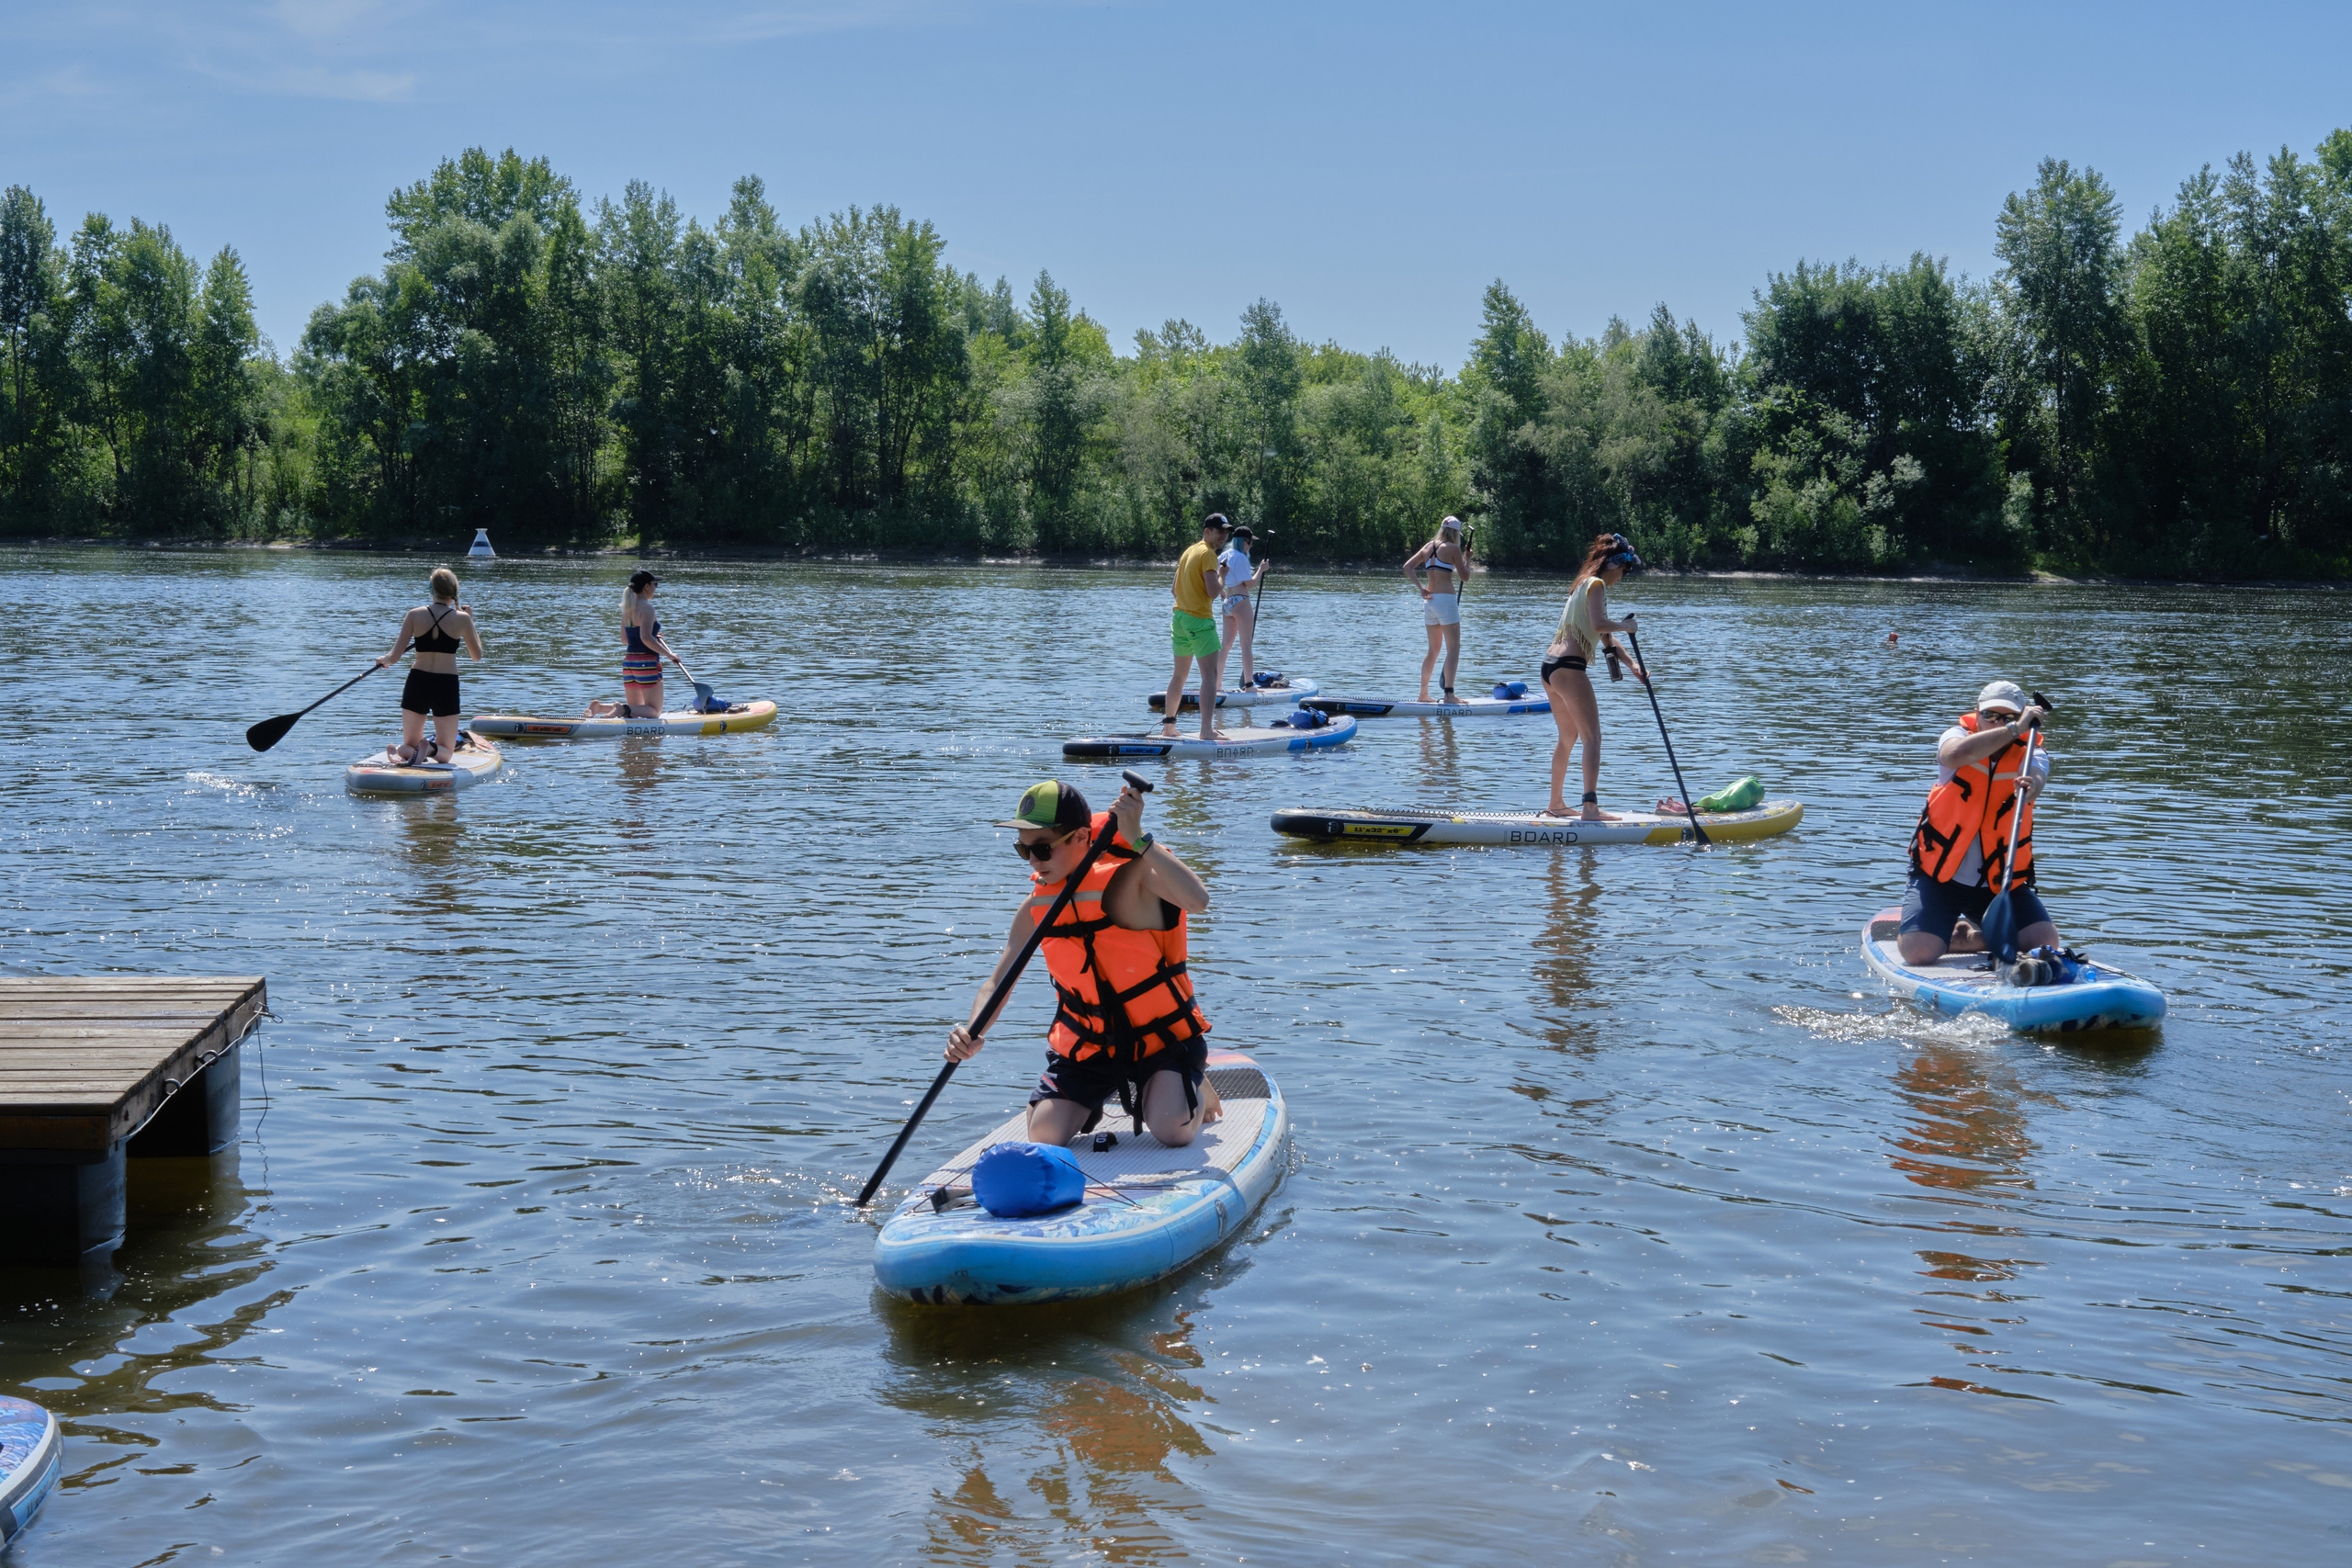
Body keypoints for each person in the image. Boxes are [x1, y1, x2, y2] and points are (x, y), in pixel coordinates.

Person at [944, 778, 1224, 1145]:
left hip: (1160, 1041)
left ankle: (1193, 1085)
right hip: (1089, 1048)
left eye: (1042, 848)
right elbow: (997, 983)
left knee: (1171, 1129)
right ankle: (1096, 1098)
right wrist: (973, 1031)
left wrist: (1138, 838)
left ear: (1080, 837)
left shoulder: (1131, 877)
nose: (1033, 861)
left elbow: (1198, 900)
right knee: (1043, 1133)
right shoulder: (1036, 907)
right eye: (1023, 849)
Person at [1899, 682, 2058, 966]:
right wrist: (2015, 728)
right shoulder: (1957, 736)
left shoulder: (2032, 752)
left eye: (2009, 717)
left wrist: (2031, 787)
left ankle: (1975, 937)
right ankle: (1937, 929)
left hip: (1999, 883)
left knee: (2044, 943)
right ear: (1977, 713)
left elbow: (2037, 779)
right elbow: (1953, 755)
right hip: (1940, 877)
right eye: (1990, 715)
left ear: (2021, 715)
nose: (1998, 722)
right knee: (1918, 953)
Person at [1539, 534, 1647, 819]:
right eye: (1624, 570)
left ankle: (1556, 805)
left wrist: (1632, 665)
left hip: (1550, 667)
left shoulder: (1581, 584)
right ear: (1614, 565)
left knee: (1568, 737)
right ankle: (1590, 808)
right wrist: (1627, 625)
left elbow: (1605, 636)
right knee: (1593, 739)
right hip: (1569, 668)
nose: (1622, 577)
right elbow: (1601, 624)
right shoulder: (1597, 584)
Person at [376, 568, 482, 765]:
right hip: (446, 683)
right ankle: (431, 749)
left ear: (431, 589)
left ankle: (405, 751)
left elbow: (394, 657)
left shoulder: (414, 615)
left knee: (408, 745)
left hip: (418, 681)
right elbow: (477, 656)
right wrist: (470, 620)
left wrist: (383, 659)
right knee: (446, 754)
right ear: (453, 592)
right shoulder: (462, 619)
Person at [583, 570, 694, 719]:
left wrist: (654, 637)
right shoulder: (648, 608)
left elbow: (625, 639)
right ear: (647, 587)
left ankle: (600, 707)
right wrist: (669, 654)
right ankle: (620, 708)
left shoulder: (627, 610)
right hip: (646, 663)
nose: (656, 588)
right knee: (654, 711)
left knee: (635, 711)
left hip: (630, 663)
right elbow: (646, 638)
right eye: (655, 584)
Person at [1160, 514, 1230, 739]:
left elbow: (1174, 589)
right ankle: (1206, 730)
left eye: (1226, 532)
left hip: (1179, 618)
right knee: (1210, 676)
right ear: (1207, 531)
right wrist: (1222, 576)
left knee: (1179, 675)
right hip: (1199, 620)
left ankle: (1169, 728)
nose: (1224, 536)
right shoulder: (1208, 554)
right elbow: (1213, 592)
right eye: (1219, 531)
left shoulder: (1189, 552)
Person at [1403, 515, 1474, 702]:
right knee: (1453, 649)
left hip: (1430, 601)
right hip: (1446, 601)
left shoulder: (1428, 546)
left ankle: (1423, 694)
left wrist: (1421, 588)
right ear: (1455, 533)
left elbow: (1407, 567)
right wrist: (1467, 559)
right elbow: (1465, 577)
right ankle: (1449, 695)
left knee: (1433, 650)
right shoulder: (1453, 548)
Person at [1218, 524, 1261, 690]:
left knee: (1225, 647)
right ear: (1242, 541)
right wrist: (1261, 569)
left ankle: (1216, 685)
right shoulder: (1241, 557)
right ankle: (1249, 685)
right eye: (1249, 542)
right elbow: (1249, 584)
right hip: (1241, 601)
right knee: (1246, 645)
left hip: (1227, 603)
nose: (1250, 546)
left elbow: (1215, 578)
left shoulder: (1223, 556)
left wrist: (1223, 594)